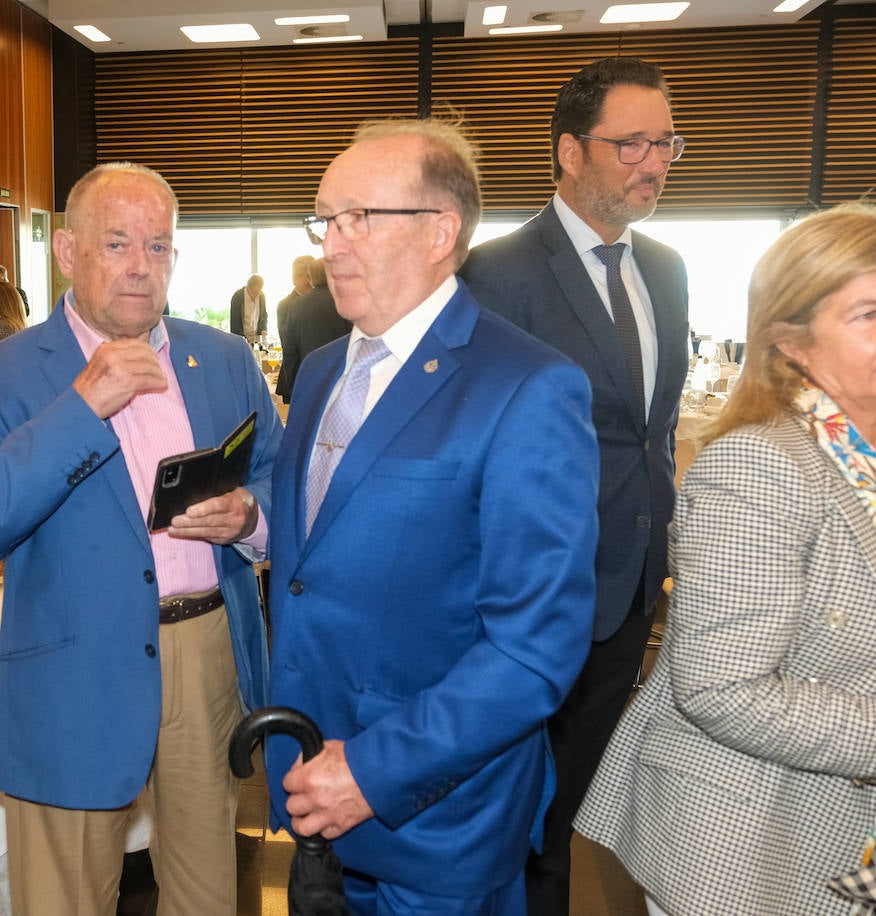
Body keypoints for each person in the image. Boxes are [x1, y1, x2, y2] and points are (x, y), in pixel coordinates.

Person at [266, 118, 599, 914]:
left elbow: (534, 650)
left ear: (440, 232)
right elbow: (326, 554)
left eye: (358, 218)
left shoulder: (528, 386)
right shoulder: (316, 373)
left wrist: (374, 771)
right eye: (323, 219)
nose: (330, 244)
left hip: (437, 815)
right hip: (313, 780)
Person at [0, 161, 282, 915]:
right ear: (67, 252)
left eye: (158, 247)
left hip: (208, 658)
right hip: (73, 667)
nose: (140, 267)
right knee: (65, 898)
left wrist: (250, 516)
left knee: (208, 894)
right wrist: (81, 408)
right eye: (118, 243)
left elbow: (286, 485)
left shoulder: (223, 359)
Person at [576, 204, 876, 915]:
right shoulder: (760, 466)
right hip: (755, 839)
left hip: (873, 830)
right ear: (791, 341)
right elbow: (721, 692)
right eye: (869, 315)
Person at [459, 57, 691, 913]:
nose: (653, 162)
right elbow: (477, 443)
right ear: (569, 151)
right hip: (533, 596)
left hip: (630, 590)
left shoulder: (665, 268)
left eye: (665, 142)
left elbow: (650, 429)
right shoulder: (499, 272)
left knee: (576, 806)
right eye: (629, 142)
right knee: (516, 806)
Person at [276, 257, 349, 403]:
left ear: (312, 277)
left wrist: (296, 388)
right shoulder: (345, 301)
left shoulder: (296, 306)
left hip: (307, 380)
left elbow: (290, 351)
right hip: (339, 380)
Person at [275, 253, 315, 351]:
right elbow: (287, 342)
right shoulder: (285, 305)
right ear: (295, 278)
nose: (311, 282)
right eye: (308, 276)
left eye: (313, 276)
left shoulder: (320, 302)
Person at [229, 274, 267, 343]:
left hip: (256, 338)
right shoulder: (238, 297)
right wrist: (242, 340)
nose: (257, 294)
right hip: (241, 338)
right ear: (248, 288)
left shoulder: (261, 296)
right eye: (255, 292)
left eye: (259, 290)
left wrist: (263, 329)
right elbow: (234, 322)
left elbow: (264, 314)